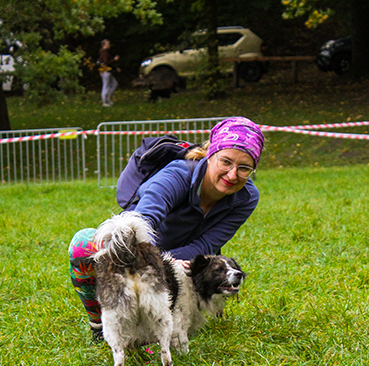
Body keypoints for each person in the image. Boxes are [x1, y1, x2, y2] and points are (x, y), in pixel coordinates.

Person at [69, 116, 265, 341]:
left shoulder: (247, 198)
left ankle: (163, 322)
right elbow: (143, 222)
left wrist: (174, 262)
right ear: (211, 154)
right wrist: (160, 261)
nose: (232, 175)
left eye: (244, 168)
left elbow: (208, 243)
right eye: (226, 162)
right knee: (82, 245)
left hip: (186, 259)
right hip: (143, 251)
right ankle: (99, 324)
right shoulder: (177, 175)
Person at [99, 39, 119, 107]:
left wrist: (115, 68)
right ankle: (104, 102)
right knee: (106, 86)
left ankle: (108, 98)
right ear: (104, 45)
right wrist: (114, 60)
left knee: (114, 83)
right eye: (108, 43)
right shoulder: (104, 53)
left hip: (108, 71)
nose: (109, 45)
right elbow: (106, 63)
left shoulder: (105, 52)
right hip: (105, 71)